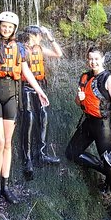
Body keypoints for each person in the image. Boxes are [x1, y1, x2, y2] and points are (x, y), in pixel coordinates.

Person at [0, 11, 50, 204]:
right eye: (3, 25)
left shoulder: (20, 48)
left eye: (10, 26)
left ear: (14, 29)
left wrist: (39, 91)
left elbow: (26, 72)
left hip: (12, 97)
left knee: (8, 143)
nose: (6, 29)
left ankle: (5, 186)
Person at [66, 46, 111, 220]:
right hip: (88, 122)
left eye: (96, 59)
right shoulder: (85, 77)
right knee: (72, 153)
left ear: (103, 59)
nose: (93, 62)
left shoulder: (108, 79)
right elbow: (79, 102)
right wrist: (79, 97)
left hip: (104, 125)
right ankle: (104, 170)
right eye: (90, 59)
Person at [17, 25, 63, 180]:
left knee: (43, 117)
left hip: (40, 85)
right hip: (25, 87)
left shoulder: (40, 48)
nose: (41, 37)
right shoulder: (21, 49)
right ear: (32, 35)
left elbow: (58, 53)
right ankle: (27, 159)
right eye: (40, 35)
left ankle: (41, 154)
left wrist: (50, 37)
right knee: (28, 119)